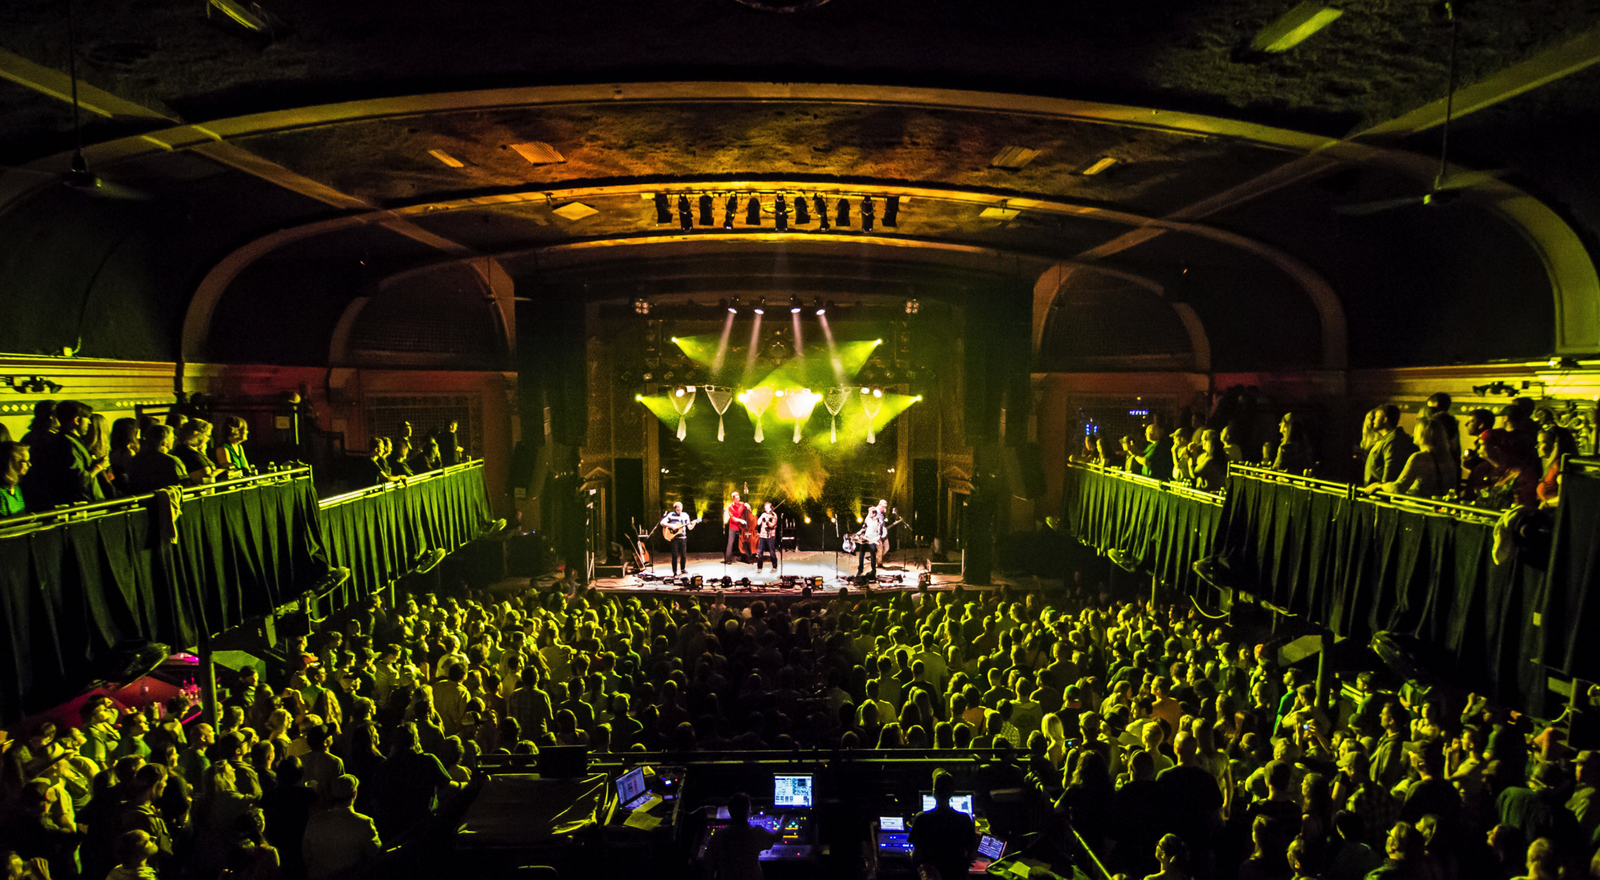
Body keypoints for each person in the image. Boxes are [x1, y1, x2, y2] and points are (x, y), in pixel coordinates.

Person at [20, 400, 105, 511]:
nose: (89, 423)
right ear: (77, 420)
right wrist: (98, 467)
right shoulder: (64, 442)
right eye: (87, 418)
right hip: (77, 501)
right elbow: (77, 478)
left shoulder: (32, 437)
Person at [301, 775, 381, 880]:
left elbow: (306, 854)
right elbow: (375, 853)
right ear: (355, 794)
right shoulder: (364, 822)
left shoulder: (315, 820)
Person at [909, 769, 975, 880]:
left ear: (934, 792)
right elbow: (971, 854)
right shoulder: (964, 819)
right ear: (952, 792)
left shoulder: (921, 819)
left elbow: (916, 857)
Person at [703, 791, 778, 880]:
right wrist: (784, 822)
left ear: (730, 811)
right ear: (748, 811)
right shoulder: (756, 832)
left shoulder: (718, 836)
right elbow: (777, 837)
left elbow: (707, 866)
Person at [1379, 414, 1458, 498]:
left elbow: (1398, 487)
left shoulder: (1419, 458)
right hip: (1437, 505)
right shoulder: (1448, 458)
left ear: (1421, 434)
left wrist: (1379, 486)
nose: (1413, 434)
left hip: (1417, 506)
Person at [126, 424, 191, 495]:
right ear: (164, 442)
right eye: (172, 437)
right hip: (167, 502)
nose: (175, 438)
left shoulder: (136, 459)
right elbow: (185, 484)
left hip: (142, 501)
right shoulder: (171, 461)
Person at [1363, 405, 1417, 488]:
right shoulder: (1387, 439)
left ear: (1385, 419)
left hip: (1379, 493)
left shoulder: (1392, 440)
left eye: (1376, 417)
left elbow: (1391, 468)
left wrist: (1383, 486)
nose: (1373, 421)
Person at [855, 500, 888, 579]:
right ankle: (860, 570)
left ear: (874, 514)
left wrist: (877, 539)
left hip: (872, 540)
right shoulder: (868, 519)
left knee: (873, 555)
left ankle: (873, 571)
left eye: (870, 513)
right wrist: (858, 534)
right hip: (866, 538)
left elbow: (880, 532)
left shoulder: (878, 522)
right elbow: (864, 527)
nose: (869, 514)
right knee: (861, 553)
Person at [660, 502, 695, 576]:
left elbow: (689, 527)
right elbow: (662, 522)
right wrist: (671, 525)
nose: (678, 509)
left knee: (683, 555)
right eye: (676, 507)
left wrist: (694, 523)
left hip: (683, 538)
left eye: (679, 507)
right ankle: (675, 571)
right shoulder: (671, 514)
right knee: (674, 555)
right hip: (674, 538)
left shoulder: (685, 515)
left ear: (682, 507)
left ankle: (683, 569)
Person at [0, 441, 30, 518]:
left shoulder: (17, 489)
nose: (29, 464)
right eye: (25, 461)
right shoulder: (1, 492)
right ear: (11, 463)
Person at [723, 491, 750, 564]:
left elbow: (749, 511)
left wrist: (748, 506)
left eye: (739, 498)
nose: (739, 499)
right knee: (730, 542)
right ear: (733, 499)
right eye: (737, 498)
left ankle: (744, 557)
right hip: (733, 526)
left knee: (743, 542)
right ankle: (728, 559)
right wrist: (740, 520)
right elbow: (732, 518)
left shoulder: (742, 504)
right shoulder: (730, 507)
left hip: (741, 527)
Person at [755, 502, 779, 572]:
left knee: (772, 552)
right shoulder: (764, 514)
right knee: (760, 552)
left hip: (770, 536)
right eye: (765, 508)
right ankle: (759, 567)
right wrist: (762, 517)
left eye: (767, 508)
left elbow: (772, 525)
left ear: (771, 508)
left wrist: (768, 521)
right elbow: (758, 523)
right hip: (762, 535)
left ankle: (774, 566)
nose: (766, 509)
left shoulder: (774, 515)